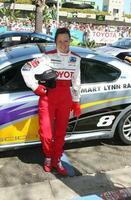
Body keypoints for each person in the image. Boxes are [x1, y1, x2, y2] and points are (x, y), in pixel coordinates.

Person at [21, 27, 81, 176]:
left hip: (65, 98)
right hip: (48, 98)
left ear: (70, 41)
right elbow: (26, 68)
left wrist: (76, 101)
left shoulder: (76, 59)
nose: (63, 44)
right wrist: (35, 87)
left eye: (66, 40)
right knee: (46, 134)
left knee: (60, 133)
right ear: (55, 42)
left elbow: (76, 81)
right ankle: (48, 157)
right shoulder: (46, 57)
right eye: (60, 41)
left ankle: (57, 160)